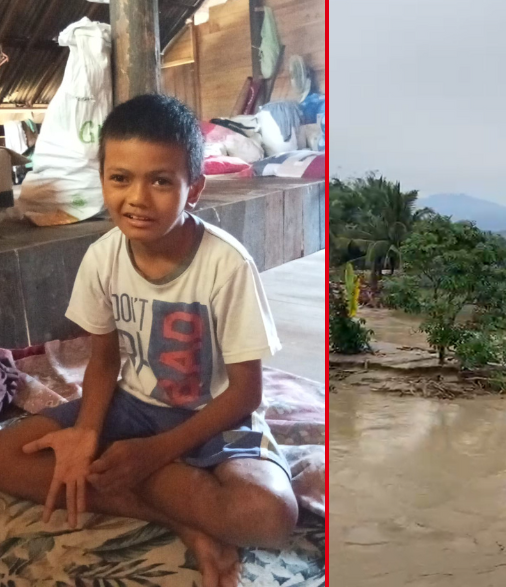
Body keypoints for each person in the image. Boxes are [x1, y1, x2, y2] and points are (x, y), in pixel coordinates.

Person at [0, 94, 298, 587]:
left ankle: (140, 476)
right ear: (102, 181)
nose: (137, 198)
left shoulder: (227, 265)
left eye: (161, 180)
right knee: (6, 458)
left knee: (269, 516)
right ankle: (179, 517)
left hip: (211, 417)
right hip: (132, 406)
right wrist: (87, 435)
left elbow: (246, 393)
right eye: (120, 178)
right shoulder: (102, 257)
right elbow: (102, 361)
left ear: (194, 189)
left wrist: (156, 452)